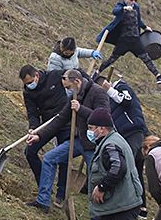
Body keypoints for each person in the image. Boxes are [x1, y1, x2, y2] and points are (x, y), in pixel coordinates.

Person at [26, 69, 109, 211]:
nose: (68, 91)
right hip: (79, 140)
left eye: (68, 88)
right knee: (49, 158)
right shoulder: (74, 97)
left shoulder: (98, 92)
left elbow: (105, 118)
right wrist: (39, 135)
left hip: (95, 145)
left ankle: (99, 217)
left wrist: (80, 108)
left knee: (96, 178)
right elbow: (60, 119)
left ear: (77, 81)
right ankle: (43, 201)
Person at [95, 76, 149, 217]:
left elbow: (126, 101)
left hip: (133, 132)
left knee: (125, 164)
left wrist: (109, 89)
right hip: (126, 135)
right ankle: (141, 206)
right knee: (136, 167)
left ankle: (127, 203)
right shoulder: (108, 100)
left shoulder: (122, 87)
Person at [18, 65, 68, 208]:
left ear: (37, 76)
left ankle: (61, 194)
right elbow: (32, 113)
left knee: (63, 156)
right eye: (26, 84)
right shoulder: (28, 92)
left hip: (65, 121)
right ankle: (43, 186)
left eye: (30, 82)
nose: (29, 85)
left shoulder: (55, 76)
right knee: (30, 151)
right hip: (47, 126)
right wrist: (33, 128)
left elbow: (75, 74)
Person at [96, 0, 161, 84]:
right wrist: (124, 9)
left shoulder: (136, 7)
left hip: (135, 40)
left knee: (146, 58)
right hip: (123, 40)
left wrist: (145, 27)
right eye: (131, 0)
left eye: (134, 0)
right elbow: (115, 11)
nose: (133, 2)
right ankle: (97, 72)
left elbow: (138, 20)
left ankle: (158, 76)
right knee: (112, 59)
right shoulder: (121, 6)